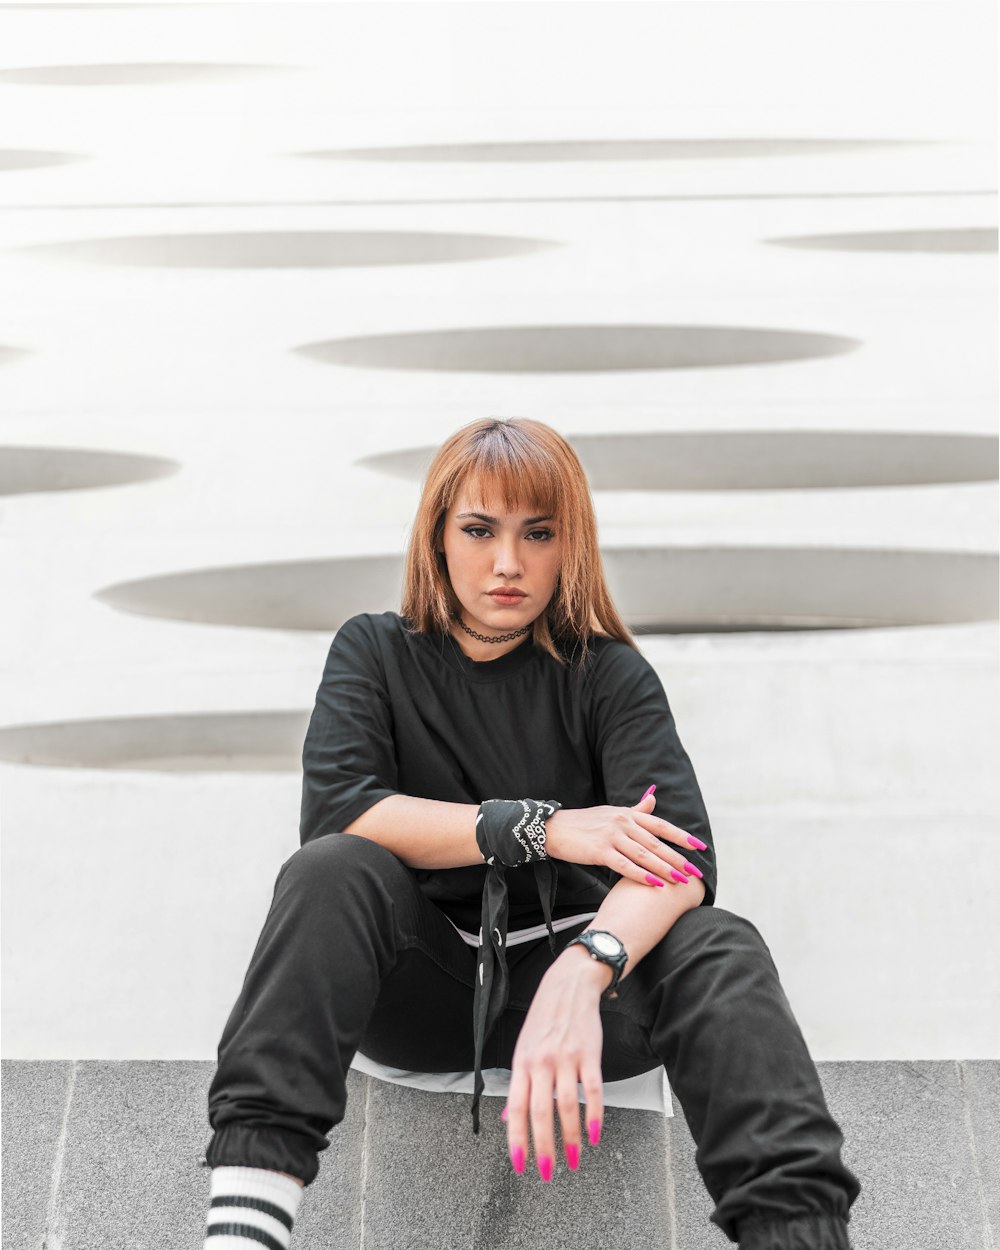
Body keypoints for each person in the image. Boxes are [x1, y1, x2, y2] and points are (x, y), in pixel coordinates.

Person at [201, 417, 861, 1250]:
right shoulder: (374, 651)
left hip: (594, 1009)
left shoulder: (608, 675)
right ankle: (243, 1233)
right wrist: (541, 830)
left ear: (568, 545)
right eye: (479, 530)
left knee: (719, 943)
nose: (507, 563)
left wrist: (587, 970)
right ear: (438, 538)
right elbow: (342, 811)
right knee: (332, 870)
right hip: (428, 990)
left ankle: (798, 1239)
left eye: (537, 534)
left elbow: (683, 858)